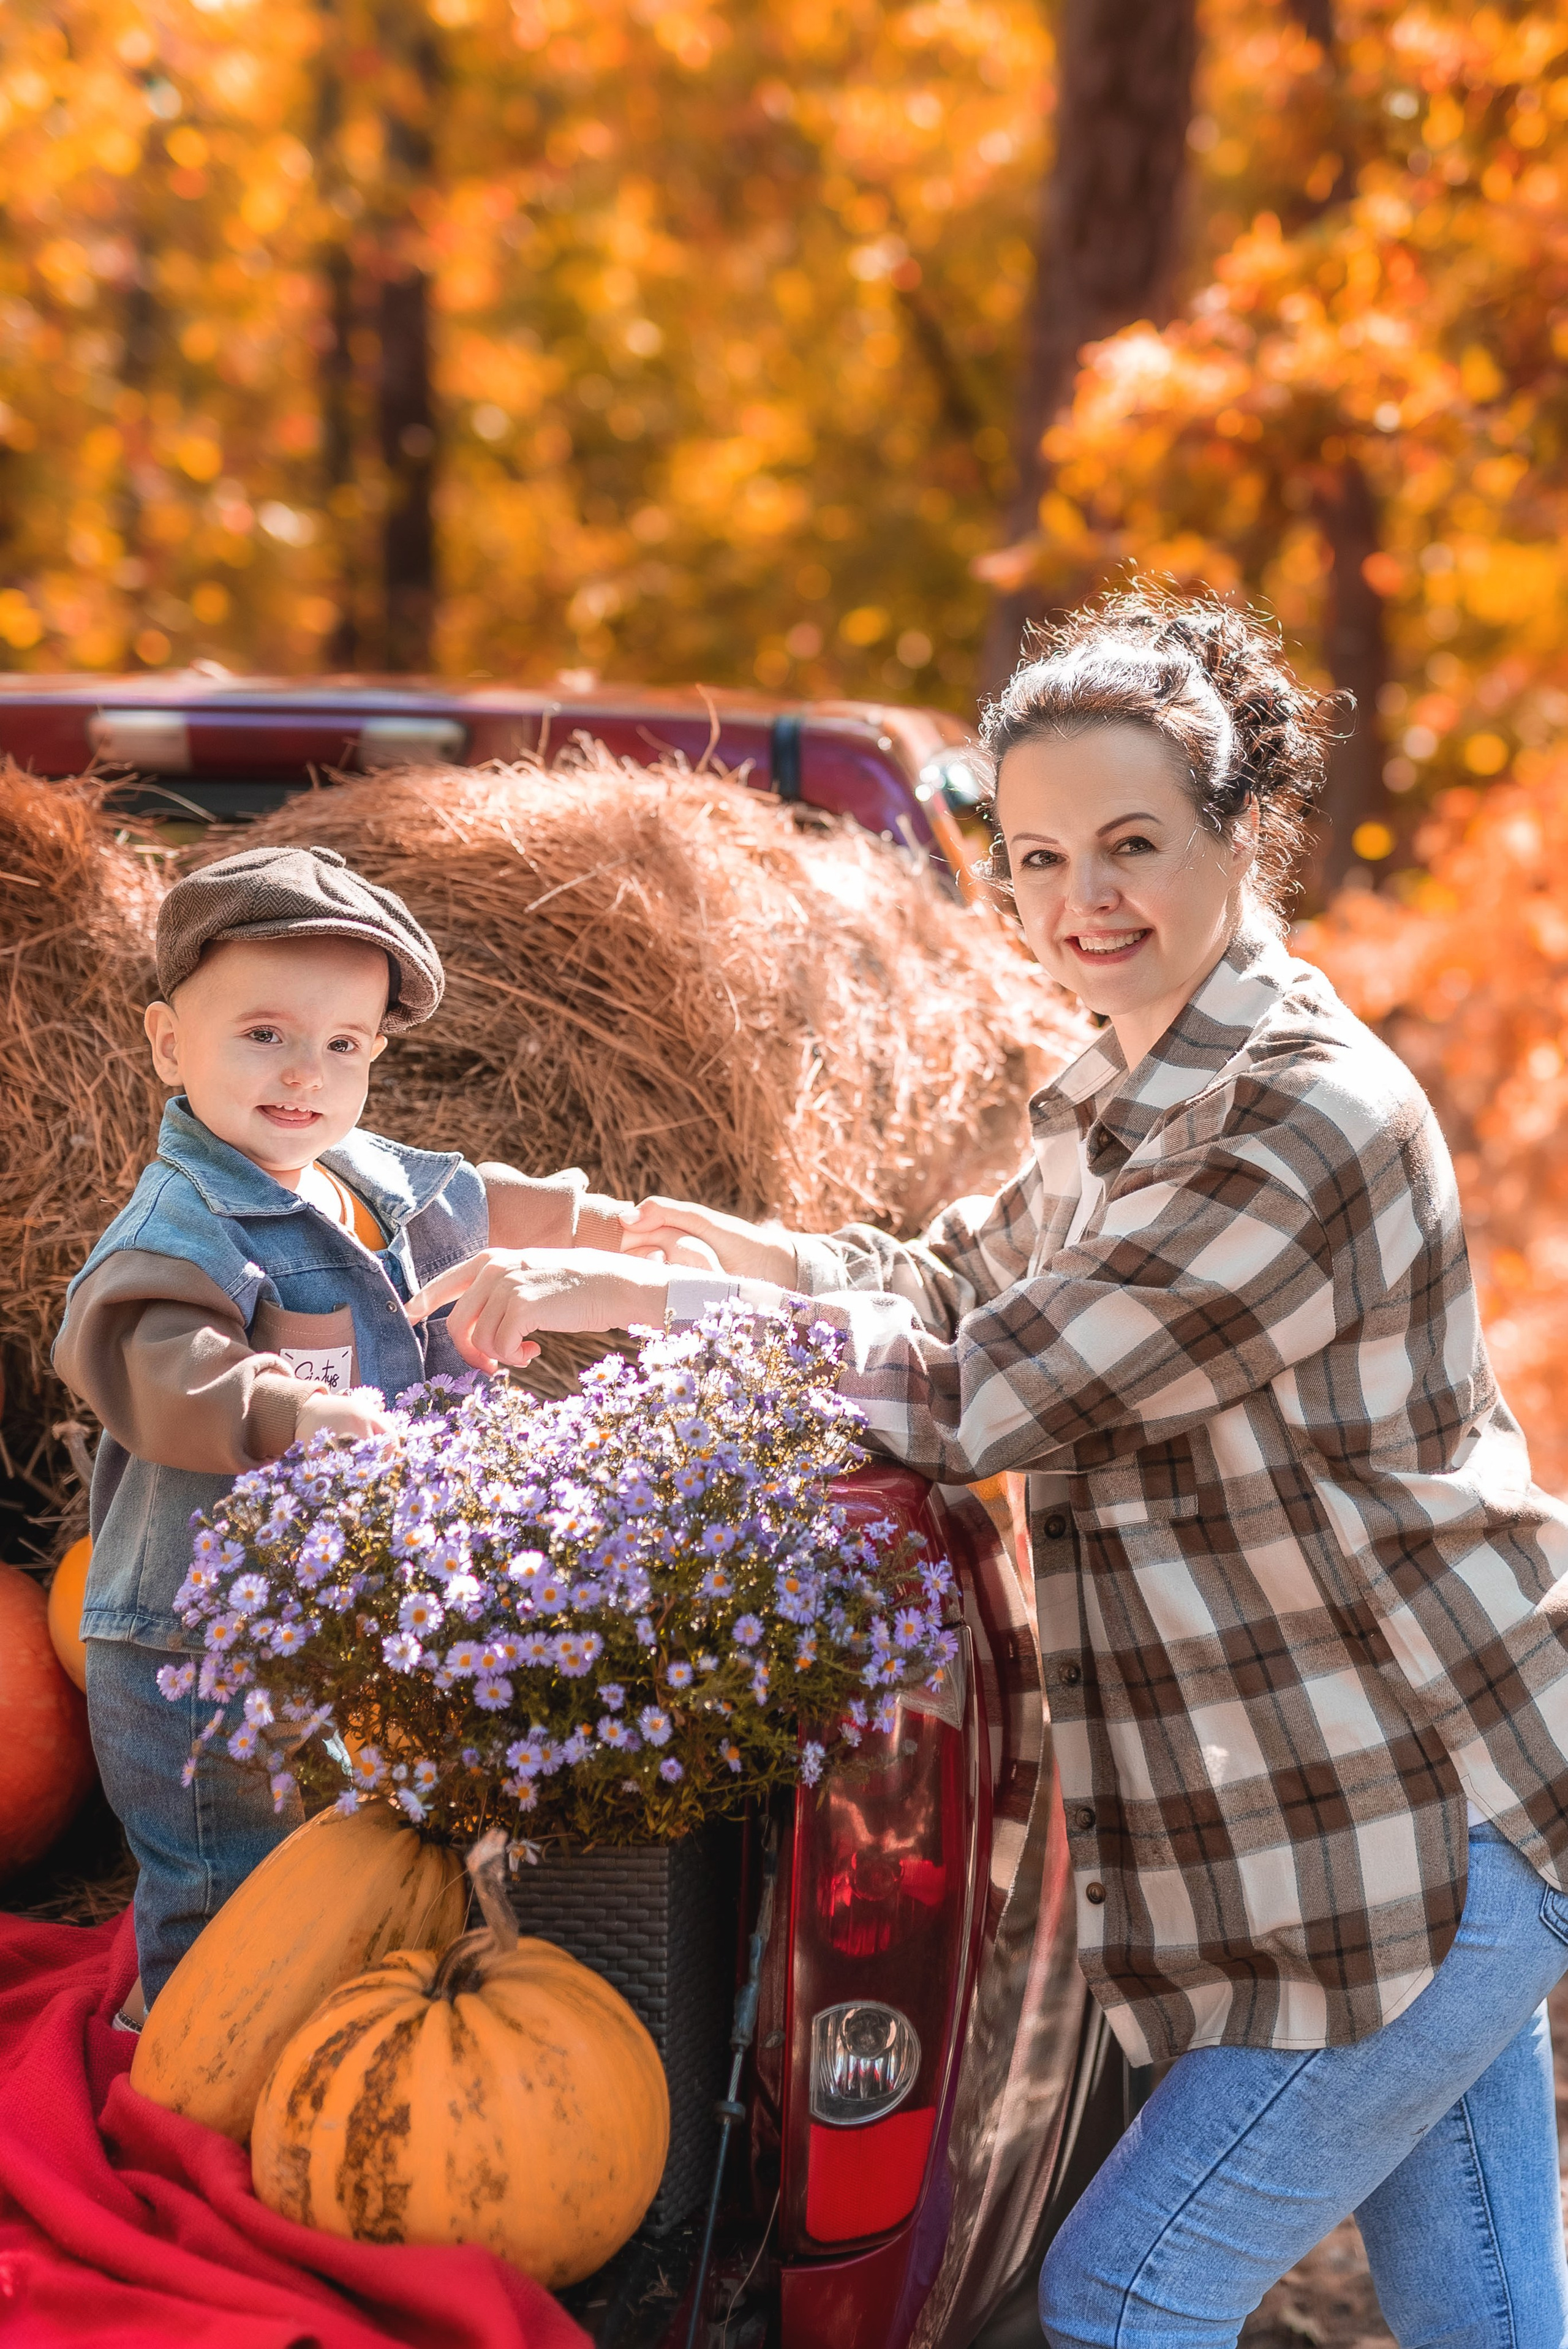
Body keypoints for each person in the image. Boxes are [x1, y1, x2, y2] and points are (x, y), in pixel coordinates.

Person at [409, 590, 1568, 2347]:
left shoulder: (1300, 1115)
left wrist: (668, 1308)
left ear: (1242, 834)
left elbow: (988, 1387)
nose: (1081, 901)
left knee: (1125, 2292)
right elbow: (943, 1276)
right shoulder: (1125, 1090)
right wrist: (665, 1254)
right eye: (1035, 858)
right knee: (1483, 2307)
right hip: (1368, 1824)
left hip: (1428, 1816)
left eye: (1131, 845)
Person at [53, 842, 630, 2008]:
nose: (305, 1075)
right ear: (168, 1042)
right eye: (263, 1034)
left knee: (348, 1880)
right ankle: (181, 2076)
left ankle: (316, 2051)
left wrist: (616, 1224)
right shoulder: (187, 1221)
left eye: (343, 1046)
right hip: (195, 1650)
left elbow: (471, 1194)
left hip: (336, 1624)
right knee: (228, 1884)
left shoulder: (356, 1173)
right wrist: (287, 1407)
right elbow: (149, 1357)